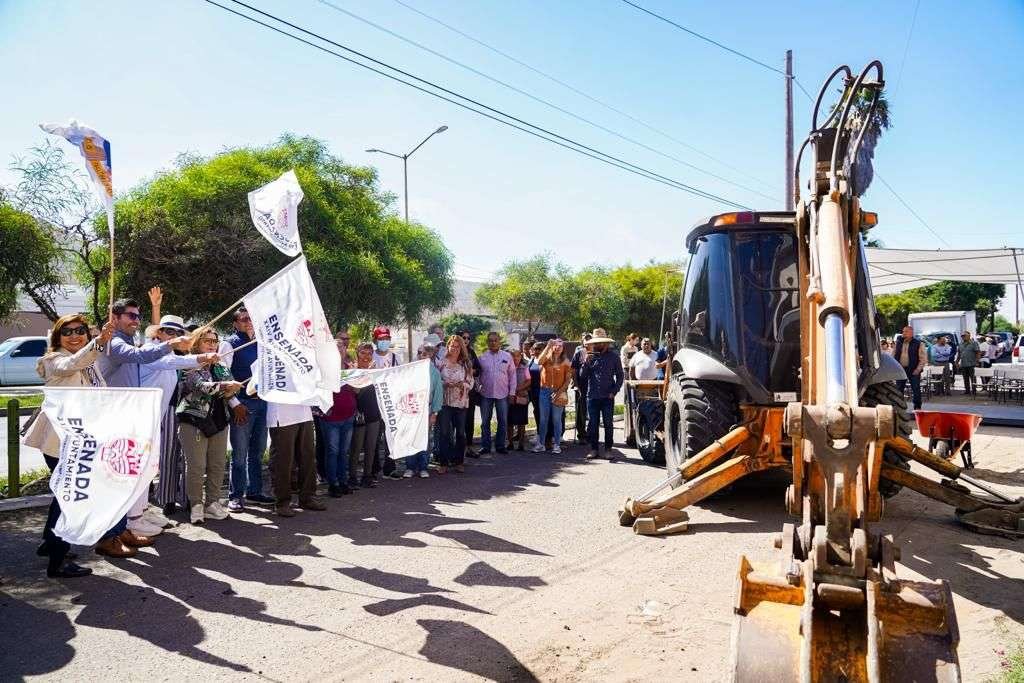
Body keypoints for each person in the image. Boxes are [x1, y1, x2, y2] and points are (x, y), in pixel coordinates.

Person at [23, 314, 114, 576]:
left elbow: (99, 390)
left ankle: (51, 544)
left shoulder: (90, 363)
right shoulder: (53, 360)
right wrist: (98, 342)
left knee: (64, 493)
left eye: (80, 331)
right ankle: (57, 562)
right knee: (69, 496)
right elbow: (72, 363)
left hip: (80, 437)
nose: (74, 336)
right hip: (59, 441)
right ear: (57, 337)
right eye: (68, 332)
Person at [96, 298, 190, 550]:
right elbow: (138, 355)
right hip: (116, 417)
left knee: (130, 473)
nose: (136, 320)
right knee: (118, 476)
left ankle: (122, 528)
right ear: (115, 318)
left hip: (130, 416)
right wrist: (170, 344)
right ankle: (111, 536)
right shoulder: (113, 342)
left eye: (138, 316)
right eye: (130, 316)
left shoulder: (128, 340)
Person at [141, 314, 222, 523]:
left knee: (189, 458)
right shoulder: (156, 351)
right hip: (167, 408)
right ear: (159, 333)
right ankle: (166, 498)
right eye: (169, 331)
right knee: (168, 455)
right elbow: (174, 362)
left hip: (187, 412)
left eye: (178, 332)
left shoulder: (181, 354)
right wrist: (202, 358)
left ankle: (188, 499)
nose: (174, 336)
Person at [177, 330, 244, 524]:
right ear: (197, 343)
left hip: (219, 420)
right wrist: (226, 386)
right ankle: (196, 505)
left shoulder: (221, 366)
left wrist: (232, 393)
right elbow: (202, 386)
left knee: (217, 465)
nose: (212, 344)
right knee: (196, 467)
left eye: (215, 341)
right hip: (193, 421)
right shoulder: (189, 363)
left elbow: (228, 393)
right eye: (208, 341)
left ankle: (212, 503)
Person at [222, 307, 275, 512]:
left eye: (251, 319)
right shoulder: (229, 343)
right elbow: (223, 375)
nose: (248, 322)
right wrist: (235, 404)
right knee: (239, 453)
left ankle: (254, 492)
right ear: (235, 323)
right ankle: (235, 496)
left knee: (258, 451)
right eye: (243, 319)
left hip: (262, 403)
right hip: (242, 405)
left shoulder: (261, 342)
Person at [267, 394, 326, 517]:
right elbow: (255, 387)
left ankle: (308, 498)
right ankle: (282, 503)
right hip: (282, 416)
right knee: (283, 461)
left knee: (308, 458)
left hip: (304, 413)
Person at [580, 328, 624, 461]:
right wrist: (586, 363)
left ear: (605, 343)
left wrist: (614, 391)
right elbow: (582, 376)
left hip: (607, 397)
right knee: (593, 424)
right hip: (592, 396)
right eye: (595, 343)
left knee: (608, 424)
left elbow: (620, 376)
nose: (595, 345)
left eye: (598, 343)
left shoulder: (614, 357)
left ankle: (608, 449)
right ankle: (594, 449)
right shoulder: (590, 356)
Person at [404, 343, 443, 478]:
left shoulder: (435, 373)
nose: (421, 355)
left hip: (427, 408)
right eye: (419, 353)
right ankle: (409, 467)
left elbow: (438, 394)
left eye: (425, 353)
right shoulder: (410, 371)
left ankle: (423, 467)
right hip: (412, 409)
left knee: (425, 439)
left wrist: (435, 413)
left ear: (431, 355)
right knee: (411, 438)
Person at [438, 335, 474, 474]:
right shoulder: (441, 363)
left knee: (460, 433)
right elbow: (436, 381)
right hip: (445, 402)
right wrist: (444, 384)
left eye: (458, 346)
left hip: (460, 403)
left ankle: (459, 462)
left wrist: (462, 385)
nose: (455, 349)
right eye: (452, 346)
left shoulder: (466, 364)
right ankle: (443, 463)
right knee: (445, 433)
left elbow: (471, 383)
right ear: (448, 346)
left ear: (462, 348)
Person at [349, 342, 382, 489]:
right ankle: (352, 477)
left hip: (374, 413)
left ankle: (367, 476)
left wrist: (373, 374)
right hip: (358, 414)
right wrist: (366, 374)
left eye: (369, 353)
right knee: (356, 447)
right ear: (357, 353)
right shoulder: (352, 370)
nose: (366, 356)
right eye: (363, 353)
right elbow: (356, 391)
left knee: (371, 446)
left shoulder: (376, 371)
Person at [477, 331, 516, 455]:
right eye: (491, 340)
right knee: (485, 422)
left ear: (499, 342)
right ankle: (485, 446)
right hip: (486, 394)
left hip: (503, 394)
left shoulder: (507, 356)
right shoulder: (482, 358)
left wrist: (512, 392)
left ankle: (500, 446)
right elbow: (477, 376)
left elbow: (513, 375)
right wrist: (478, 387)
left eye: (495, 340)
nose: (493, 342)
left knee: (503, 421)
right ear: (487, 342)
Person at [533, 339, 572, 454]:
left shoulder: (566, 361)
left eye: (560, 346)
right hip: (544, 391)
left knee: (556, 419)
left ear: (563, 348)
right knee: (543, 419)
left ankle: (557, 445)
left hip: (558, 392)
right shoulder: (546, 359)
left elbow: (567, 380)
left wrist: (559, 392)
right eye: (555, 345)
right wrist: (548, 346)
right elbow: (538, 362)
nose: (557, 348)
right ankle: (541, 444)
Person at [893, 326, 927, 410]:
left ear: (911, 333)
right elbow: (893, 355)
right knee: (898, 390)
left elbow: (923, 359)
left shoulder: (918, 343)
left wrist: (918, 370)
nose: (903, 333)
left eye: (906, 332)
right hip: (900, 370)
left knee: (916, 390)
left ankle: (917, 408)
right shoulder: (898, 342)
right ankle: (899, 408)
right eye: (903, 331)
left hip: (914, 370)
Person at [461, 330, 483, 458]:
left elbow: (479, 370)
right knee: (457, 421)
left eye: (468, 338)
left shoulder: (471, 352)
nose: (466, 340)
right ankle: (457, 449)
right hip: (455, 393)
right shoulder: (453, 352)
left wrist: (471, 370)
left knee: (469, 420)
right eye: (463, 337)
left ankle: (469, 447)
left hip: (470, 392)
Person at [571, 333, 592, 444]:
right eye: (586, 340)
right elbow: (573, 369)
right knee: (581, 411)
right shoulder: (579, 353)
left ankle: (590, 434)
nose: (587, 342)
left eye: (590, 339)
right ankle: (582, 435)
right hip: (581, 386)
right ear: (583, 341)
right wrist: (576, 384)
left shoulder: (597, 353)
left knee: (592, 411)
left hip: (593, 387)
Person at [508, 349, 531, 450]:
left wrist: (518, 389)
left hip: (521, 396)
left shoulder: (524, 367)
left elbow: (528, 381)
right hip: (509, 397)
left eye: (518, 356)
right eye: (513, 356)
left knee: (521, 421)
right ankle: (510, 443)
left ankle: (521, 444)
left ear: (521, 357)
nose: (515, 358)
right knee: (509, 421)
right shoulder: (507, 368)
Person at [957, 331, 982, 397]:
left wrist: (977, 361)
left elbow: (978, 352)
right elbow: (959, 354)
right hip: (964, 364)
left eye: (964, 335)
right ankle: (967, 390)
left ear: (969, 336)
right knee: (965, 378)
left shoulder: (974, 343)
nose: (963, 337)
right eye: (962, 336)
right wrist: (957, 362)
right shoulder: (960, 344)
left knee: (973, 378)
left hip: (972, 364)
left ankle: (974, 391)